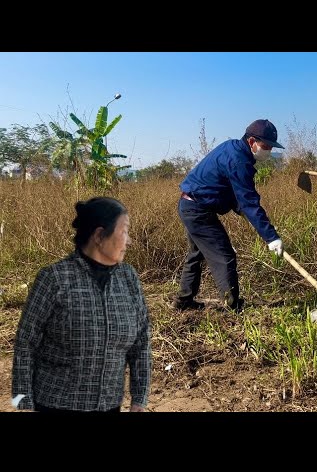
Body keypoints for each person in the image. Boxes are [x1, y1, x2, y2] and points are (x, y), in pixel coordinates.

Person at [12, 197, 151, 412]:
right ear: (98, 235)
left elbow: (141, 344)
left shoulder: (128, 278)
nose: (129, 240)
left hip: (109, 406)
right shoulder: (54, 278)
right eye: (123, 232)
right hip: (54, 405)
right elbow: (25, 344)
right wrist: (21, 404)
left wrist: (139, 399)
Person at [173, 119, 285, 312]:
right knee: (225, 256)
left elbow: (232, 194)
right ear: (252, 142)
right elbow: (248, 201)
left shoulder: (233, 148)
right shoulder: (239, 160)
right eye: (265, 146)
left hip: (190, 204)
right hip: (198, 210)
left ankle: (184, 301)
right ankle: (233, 306)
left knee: (196, 254)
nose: (268, 150)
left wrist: (245, 211)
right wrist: (271, 237)